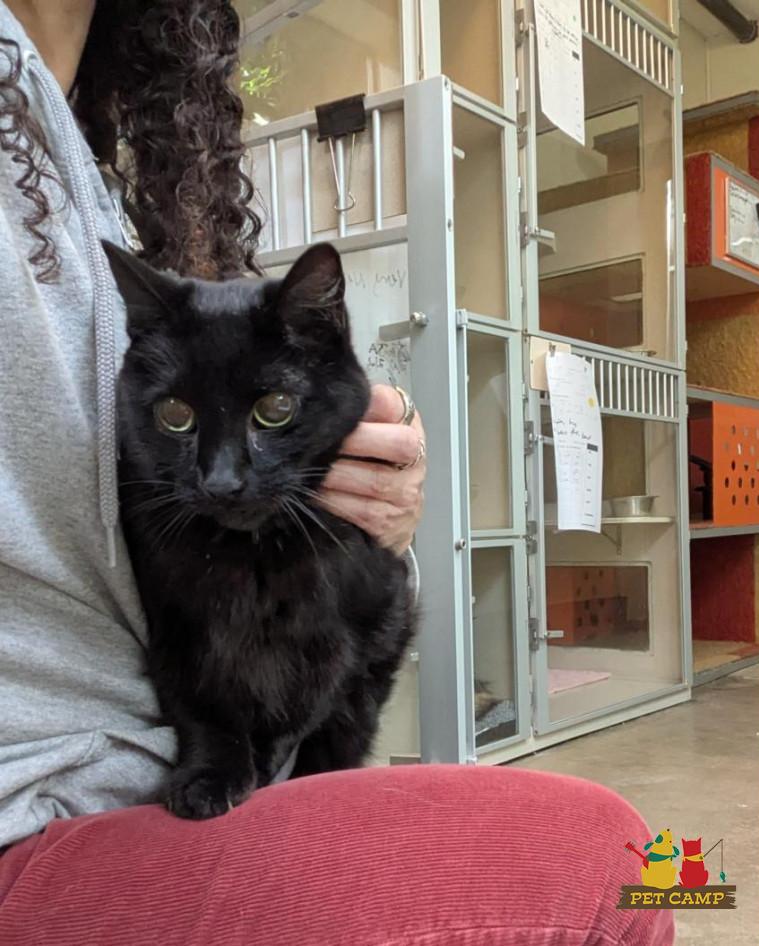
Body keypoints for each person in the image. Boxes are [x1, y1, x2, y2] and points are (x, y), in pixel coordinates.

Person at [0, 2, 673, 943]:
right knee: (615, 869)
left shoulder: (89, 157)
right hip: (45, 801)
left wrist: (375, 510)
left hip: (175, 771)